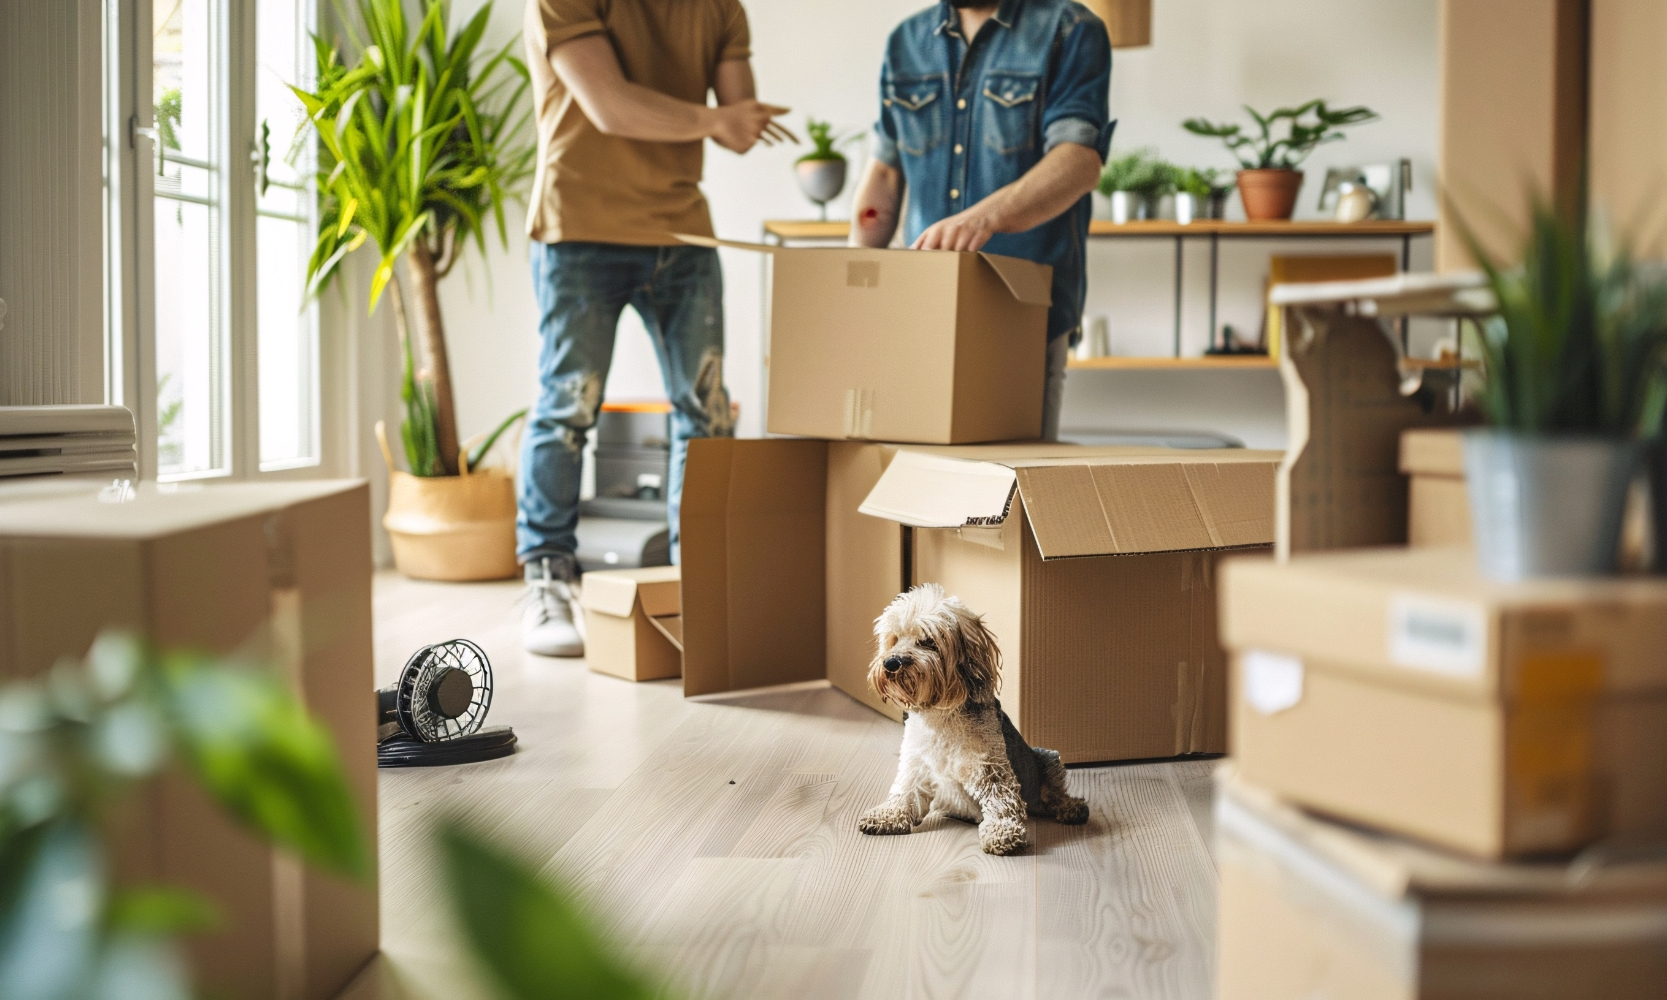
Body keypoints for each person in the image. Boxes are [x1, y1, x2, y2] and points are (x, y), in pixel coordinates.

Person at [519, 0, 795, 657]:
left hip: (681, 231)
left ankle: (695, 585)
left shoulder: (720, 8)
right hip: (579, 228)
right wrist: (713, 117)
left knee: (706, 413)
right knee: (567, 408)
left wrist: (727, 120)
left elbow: (737, 128)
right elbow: (609, 105)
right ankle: (547, 581)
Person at [850, 0, 1112, 441]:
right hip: (921, 307)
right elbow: (885, 172)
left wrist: (983, 218)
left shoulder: (1070, 29)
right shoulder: (906, 42)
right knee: (917, 490)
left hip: (1020, 314)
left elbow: (1079, 162)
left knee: (1006, 493)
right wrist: (852, 286)